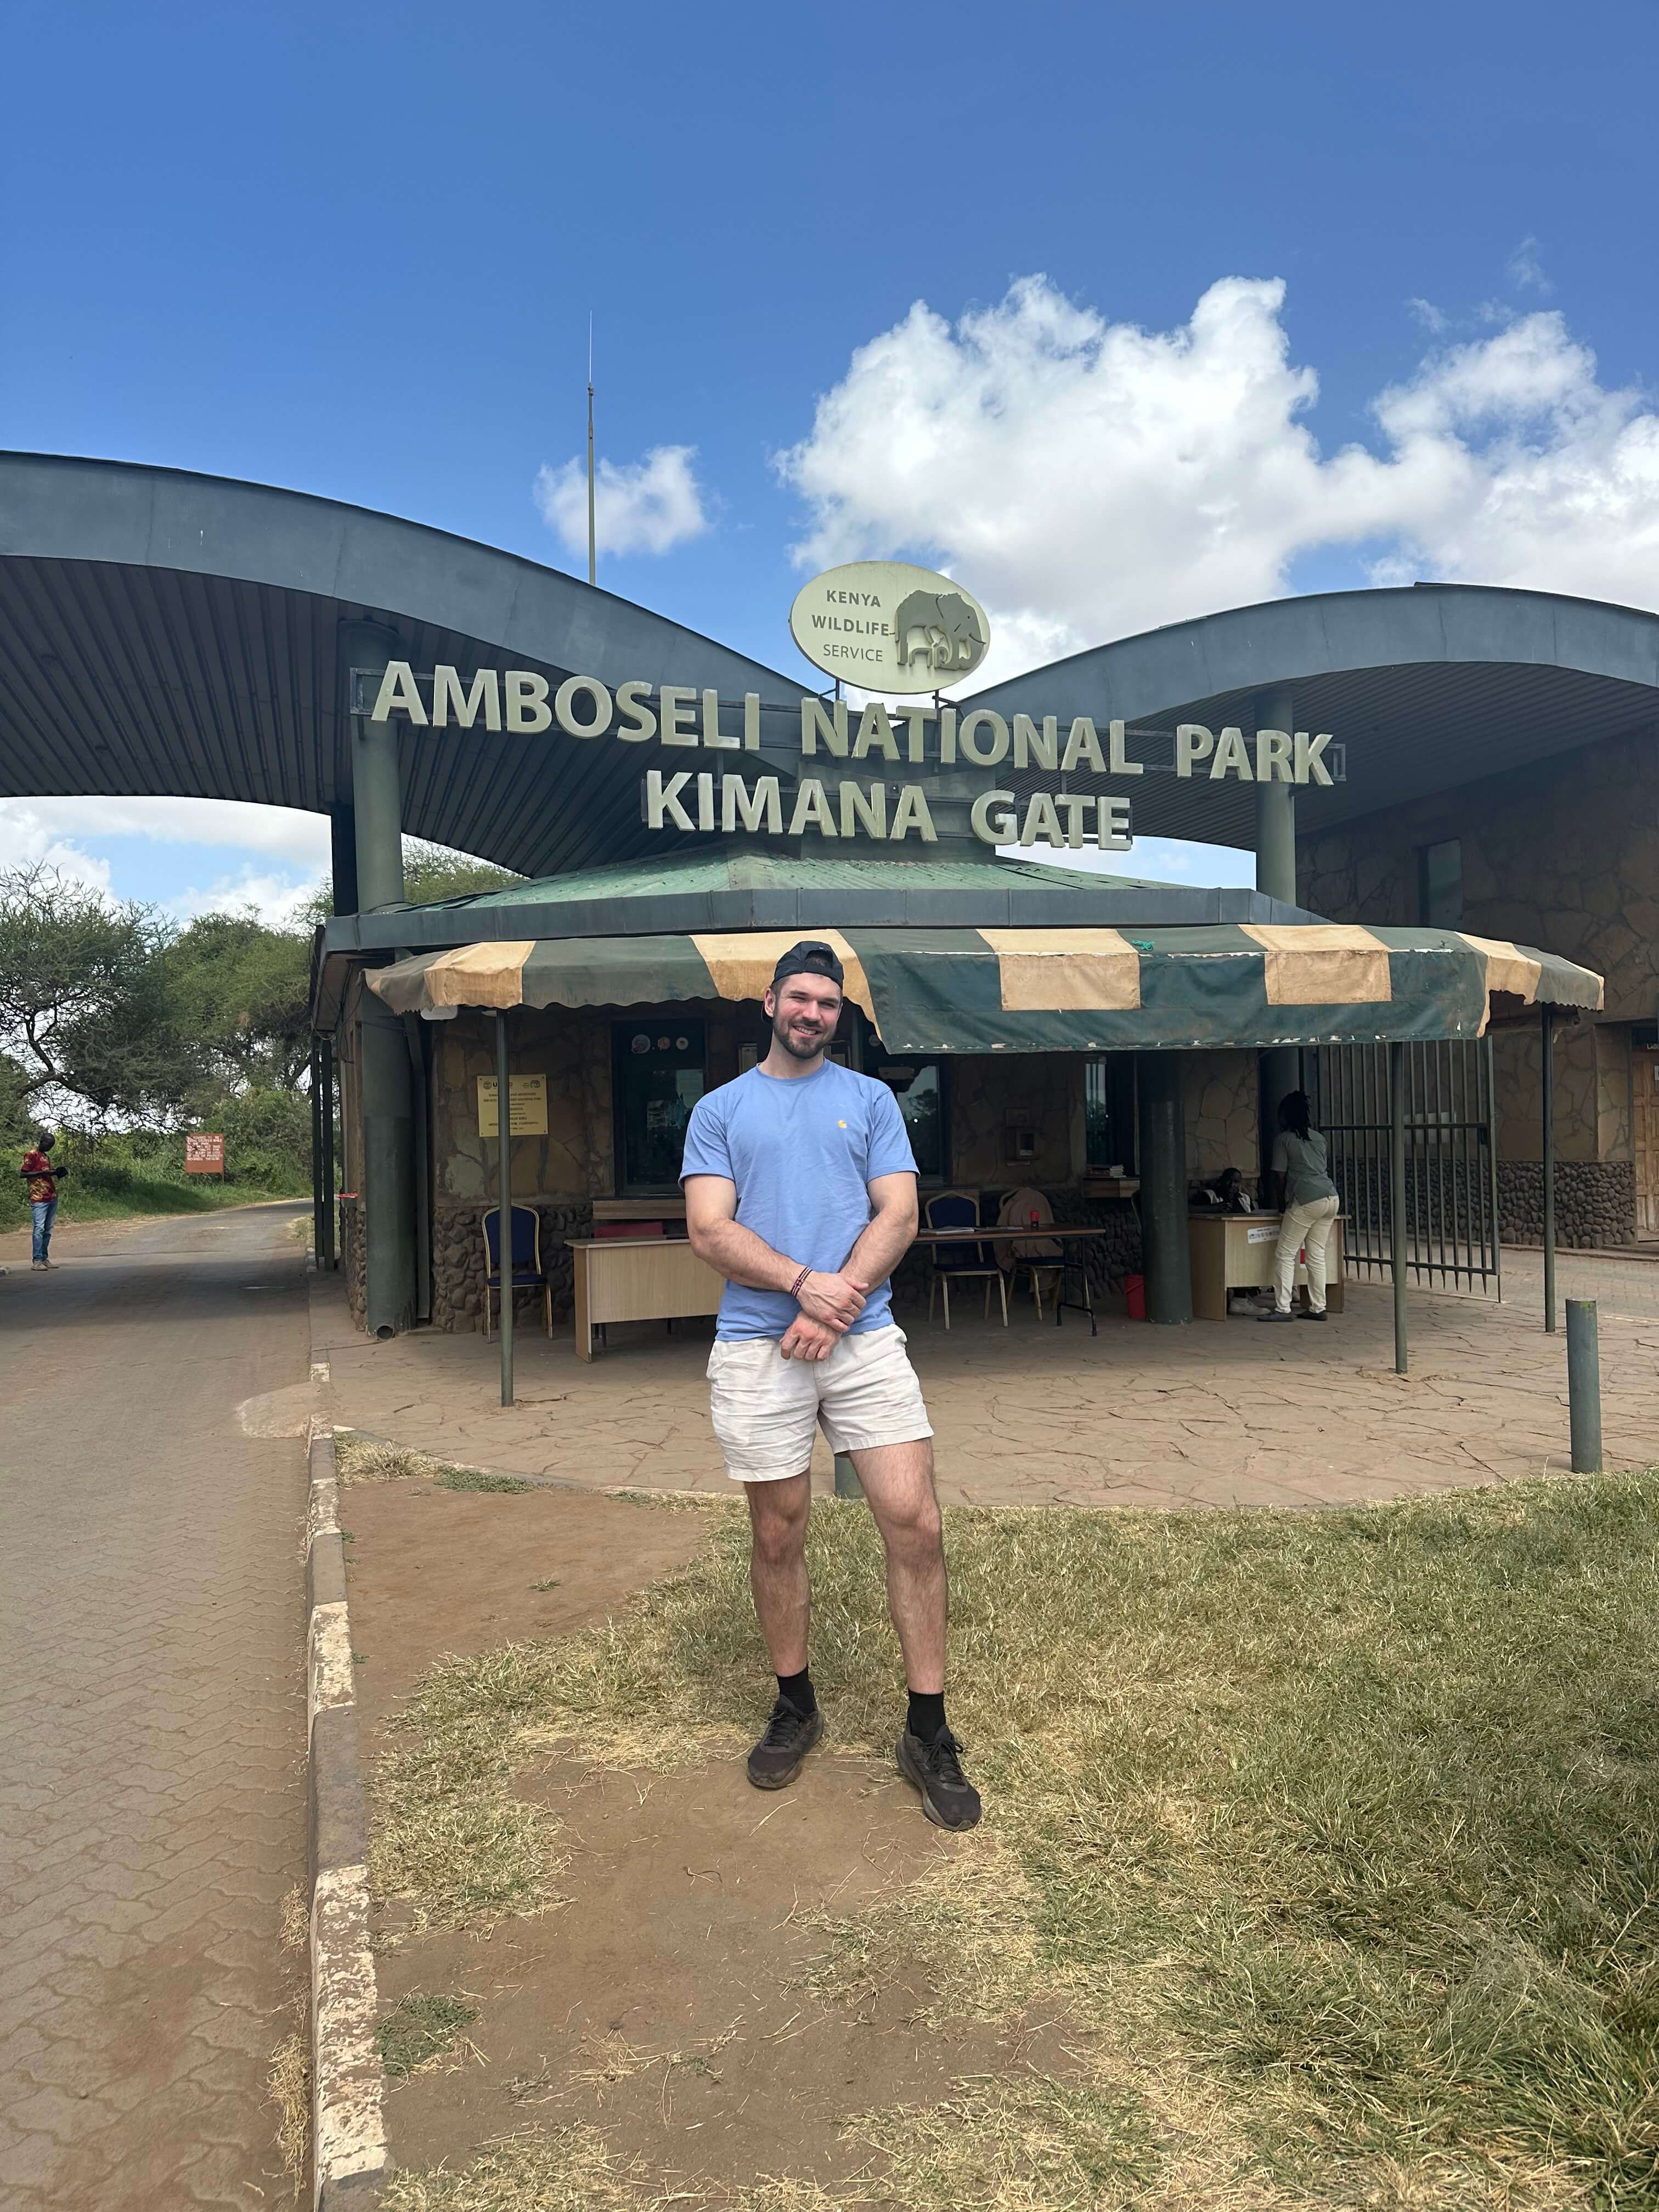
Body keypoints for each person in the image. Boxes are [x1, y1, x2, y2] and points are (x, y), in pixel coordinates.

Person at [682, 940, 981, 1832]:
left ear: (838, 1015)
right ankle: (794, 1703)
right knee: (777, 1530)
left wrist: (833, 1302)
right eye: (799, 998)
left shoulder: (869, 1100)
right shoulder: (719, 1110)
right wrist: (801, 1286)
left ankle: (925, 1728)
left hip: (860, 1339)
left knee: (914, 1519)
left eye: (827, 1004)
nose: (812, 1014)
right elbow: (708, 1228)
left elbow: (898, 1212)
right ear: (768, 1001)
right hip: (756, 1345)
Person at [1259, 1092, 1339, 1322]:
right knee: (1317, 1255)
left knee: (1285, 1253)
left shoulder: (1284, 1139)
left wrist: (1282, 1203)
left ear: (1286, 1116)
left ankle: (1283, 1308)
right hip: (1330, 1197)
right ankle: (1318, 1307)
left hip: (1306, 1199)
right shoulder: (1318, 1138)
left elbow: (1279, 1176)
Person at [20, 1131, 65, 1271]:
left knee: (48, 1230)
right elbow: (23, 1174)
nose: (50, 1148)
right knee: (39, 1229)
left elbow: (45, 1173)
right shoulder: (31, 1155)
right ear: (42, 1142)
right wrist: (44, 1173)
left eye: (52, 1146)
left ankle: (44, 1258)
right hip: (38, 1198)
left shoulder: (46, 1156)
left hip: (51, 1196)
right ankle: (37, 1260)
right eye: (49, 1145)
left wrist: (55, 1173)